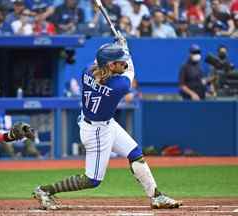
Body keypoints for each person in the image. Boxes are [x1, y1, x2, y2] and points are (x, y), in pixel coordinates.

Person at [32, 34, 182, 210]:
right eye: (120, 61)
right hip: (96, 131)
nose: (124, 63)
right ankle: (45, 190)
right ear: (110, 65)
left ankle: (156, 197)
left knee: (135, 153)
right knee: (92, 180)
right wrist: (125, 47)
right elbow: (130, 70)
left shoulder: (86, 72)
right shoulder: (119, 86)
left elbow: (99, 60)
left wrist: (116, 46)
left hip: (104, 123)